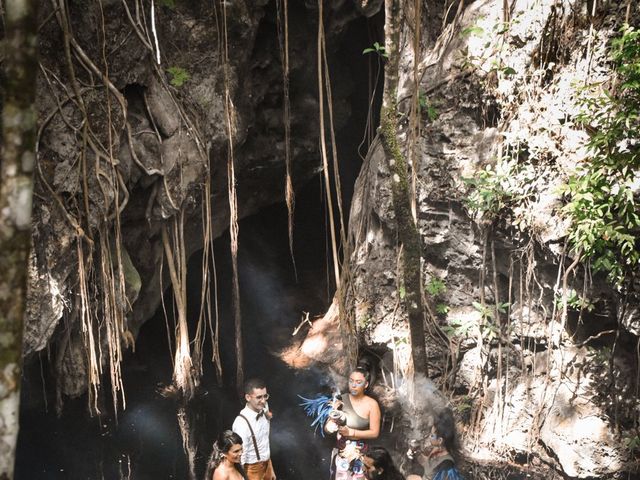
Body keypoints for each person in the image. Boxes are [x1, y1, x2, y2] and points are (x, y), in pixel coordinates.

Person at [325, 362, 381, 479]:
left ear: (366, 384)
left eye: (358, 382)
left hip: (362, 454)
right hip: (342, 453)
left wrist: (352, 433)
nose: (353, 385)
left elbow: (375, 432)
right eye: (351, 381)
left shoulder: (372, 405)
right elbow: (328, 427)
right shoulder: (341, 400)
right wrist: (330, 427)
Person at [232, 378, 276, 480]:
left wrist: (270, 467)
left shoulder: (264, 407)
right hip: (251, 470)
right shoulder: (241, 423)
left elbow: (265, 440)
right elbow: (240, 456)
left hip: (267, 464)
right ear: (248, 397)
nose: (263, 401)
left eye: (265, 396)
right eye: (259, 397)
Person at [405, 410, 464, 480]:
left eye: (432, 435)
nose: (429, 436)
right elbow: (428, 465)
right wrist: (416, 453)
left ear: (440, 440)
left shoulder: (447, 464)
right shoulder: (437, 450)